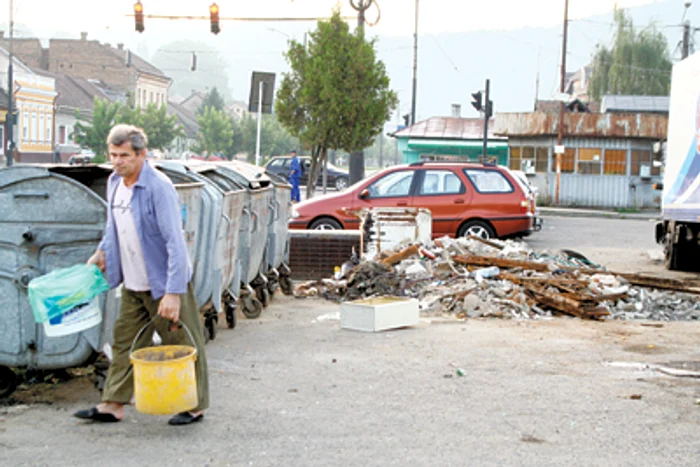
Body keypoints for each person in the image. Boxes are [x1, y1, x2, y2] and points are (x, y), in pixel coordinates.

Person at [74, 124, 209, 426]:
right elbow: (113, 226)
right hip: (133, 282)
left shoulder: (158, 187)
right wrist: (101, 252)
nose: (118, 161)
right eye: (113, 155)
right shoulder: (114, 183)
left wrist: (173, 293)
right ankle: (114, 404)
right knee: (125, 341)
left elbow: (175, 241)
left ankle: (196, 405)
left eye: (124, 155)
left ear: (142, 155)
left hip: (164, 282)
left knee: (185, 342)